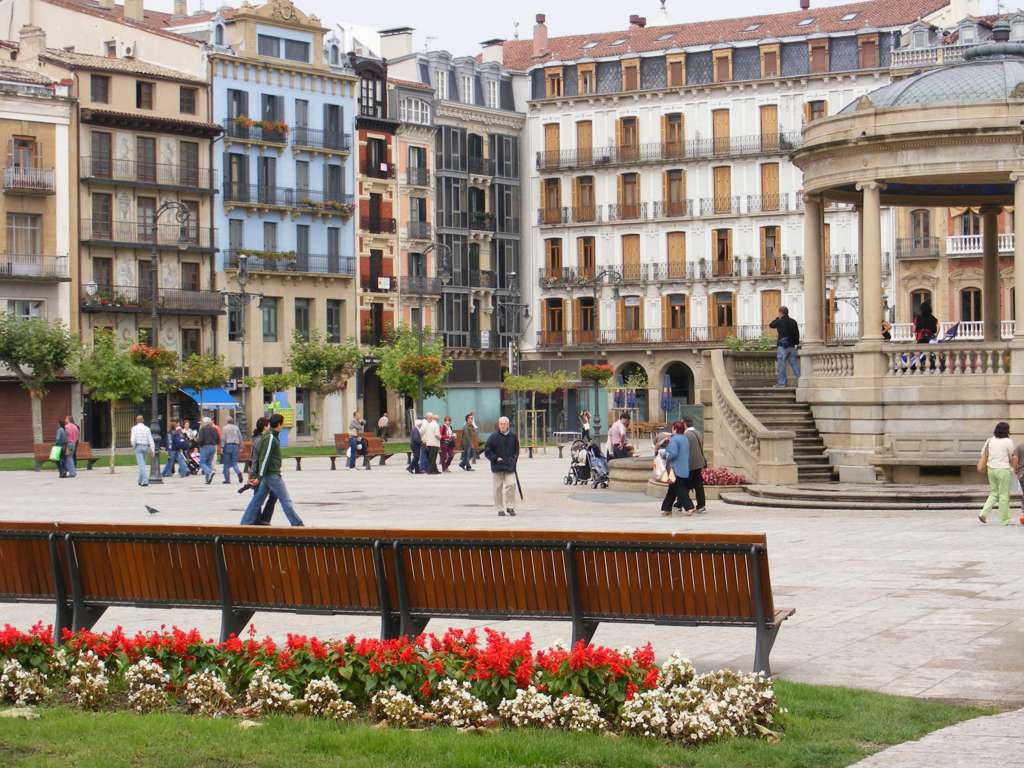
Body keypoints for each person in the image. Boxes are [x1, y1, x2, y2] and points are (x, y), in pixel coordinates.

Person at [240, 413, 304, 527]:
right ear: (279, 424)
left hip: (267, 475)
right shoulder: (270, 438)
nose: (283, 426)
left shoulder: (271, 436)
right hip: (272, 475)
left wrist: (260, 477)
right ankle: (297, 524)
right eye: (282, 424)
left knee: (258, 499)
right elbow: (265, 458)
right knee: (285, 500)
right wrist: (259, 477)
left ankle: (245, 522)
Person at [979, 421, 1017, 526]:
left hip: (991, 469)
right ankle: (1005, 520)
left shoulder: (990, 440)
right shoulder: (1008, 441)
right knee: (1004, 495)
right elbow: (1011, 456)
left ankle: (983, 513)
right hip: (1003, 469)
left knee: (994, 493)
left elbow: (983, 454)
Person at [484, 416, 519, 517]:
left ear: (508, 425)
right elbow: (487, 451)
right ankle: (499, 508)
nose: (503, 426)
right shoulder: (493, 437)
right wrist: (495, 458)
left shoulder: (513, 436)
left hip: (509, 466)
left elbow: (517, 450)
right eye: (501, 424)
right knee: (497, 488)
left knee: (511, 485)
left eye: (505, 424)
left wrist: (514, 460)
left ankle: (510, 507)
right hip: (497, 466)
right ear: (498, 425)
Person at [660, 421, 692, 516]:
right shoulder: (685, 438)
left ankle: (690, 507)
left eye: (672, 428)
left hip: (675, 469)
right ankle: (667, 508)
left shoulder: (674, 439)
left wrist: (664, 454)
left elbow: (673, 454)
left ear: (675, 429)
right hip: (684, 468)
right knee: (672, 490)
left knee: (679, 489)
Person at [679, 417, 707, 514]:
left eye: (682, 423)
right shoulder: (699, 433)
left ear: (685, 424)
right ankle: (701, 505)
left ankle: (680, 504)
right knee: (698, 485)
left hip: (690, 464)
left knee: (683, 485)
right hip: (699, 463)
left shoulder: (686, 435)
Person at [768, 306, 800, 388]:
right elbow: (797, 334)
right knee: (794, 364)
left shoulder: (779, 321)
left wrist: (777, 318)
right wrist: (796, 343)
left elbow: (771, 325)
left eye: (778, 313)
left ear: (780, 312)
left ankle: (782, 383)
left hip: (782, 346)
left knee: (781, 365)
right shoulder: (793, 321)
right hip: (792, 346)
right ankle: (801, 381)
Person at [130, 414, 155, 487]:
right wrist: (152, 449)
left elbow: (132, 439)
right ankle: (140, 480)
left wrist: (134, 446)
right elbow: (151, 439)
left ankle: (145, 480)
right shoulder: (147, 428)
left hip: (138, 446)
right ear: (143, 420)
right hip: (145, 446)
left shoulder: (134, 428)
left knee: (141, 465)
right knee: (143, 464)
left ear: (136, 421)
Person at [195, 417, 220, 485]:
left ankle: (210, 471)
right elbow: (218, 438)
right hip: (213, 447)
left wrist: (199, 444)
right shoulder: (214, 429)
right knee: (208, 463)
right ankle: (207, 479)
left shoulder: (202, 429)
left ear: (205, 423)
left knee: (202, 463)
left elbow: (200, 439)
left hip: (205, 446)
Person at [221, 417, 243, 484]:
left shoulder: (225, 428)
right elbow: (240, 437)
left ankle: (227, 479)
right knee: (234, 463)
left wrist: (222, 447)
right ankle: (238, 472)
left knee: (226, 464)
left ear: (227, 421)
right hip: (235, 446)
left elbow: (223, 438)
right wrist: (241, 446)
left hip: (228, 446)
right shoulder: (236, 427)